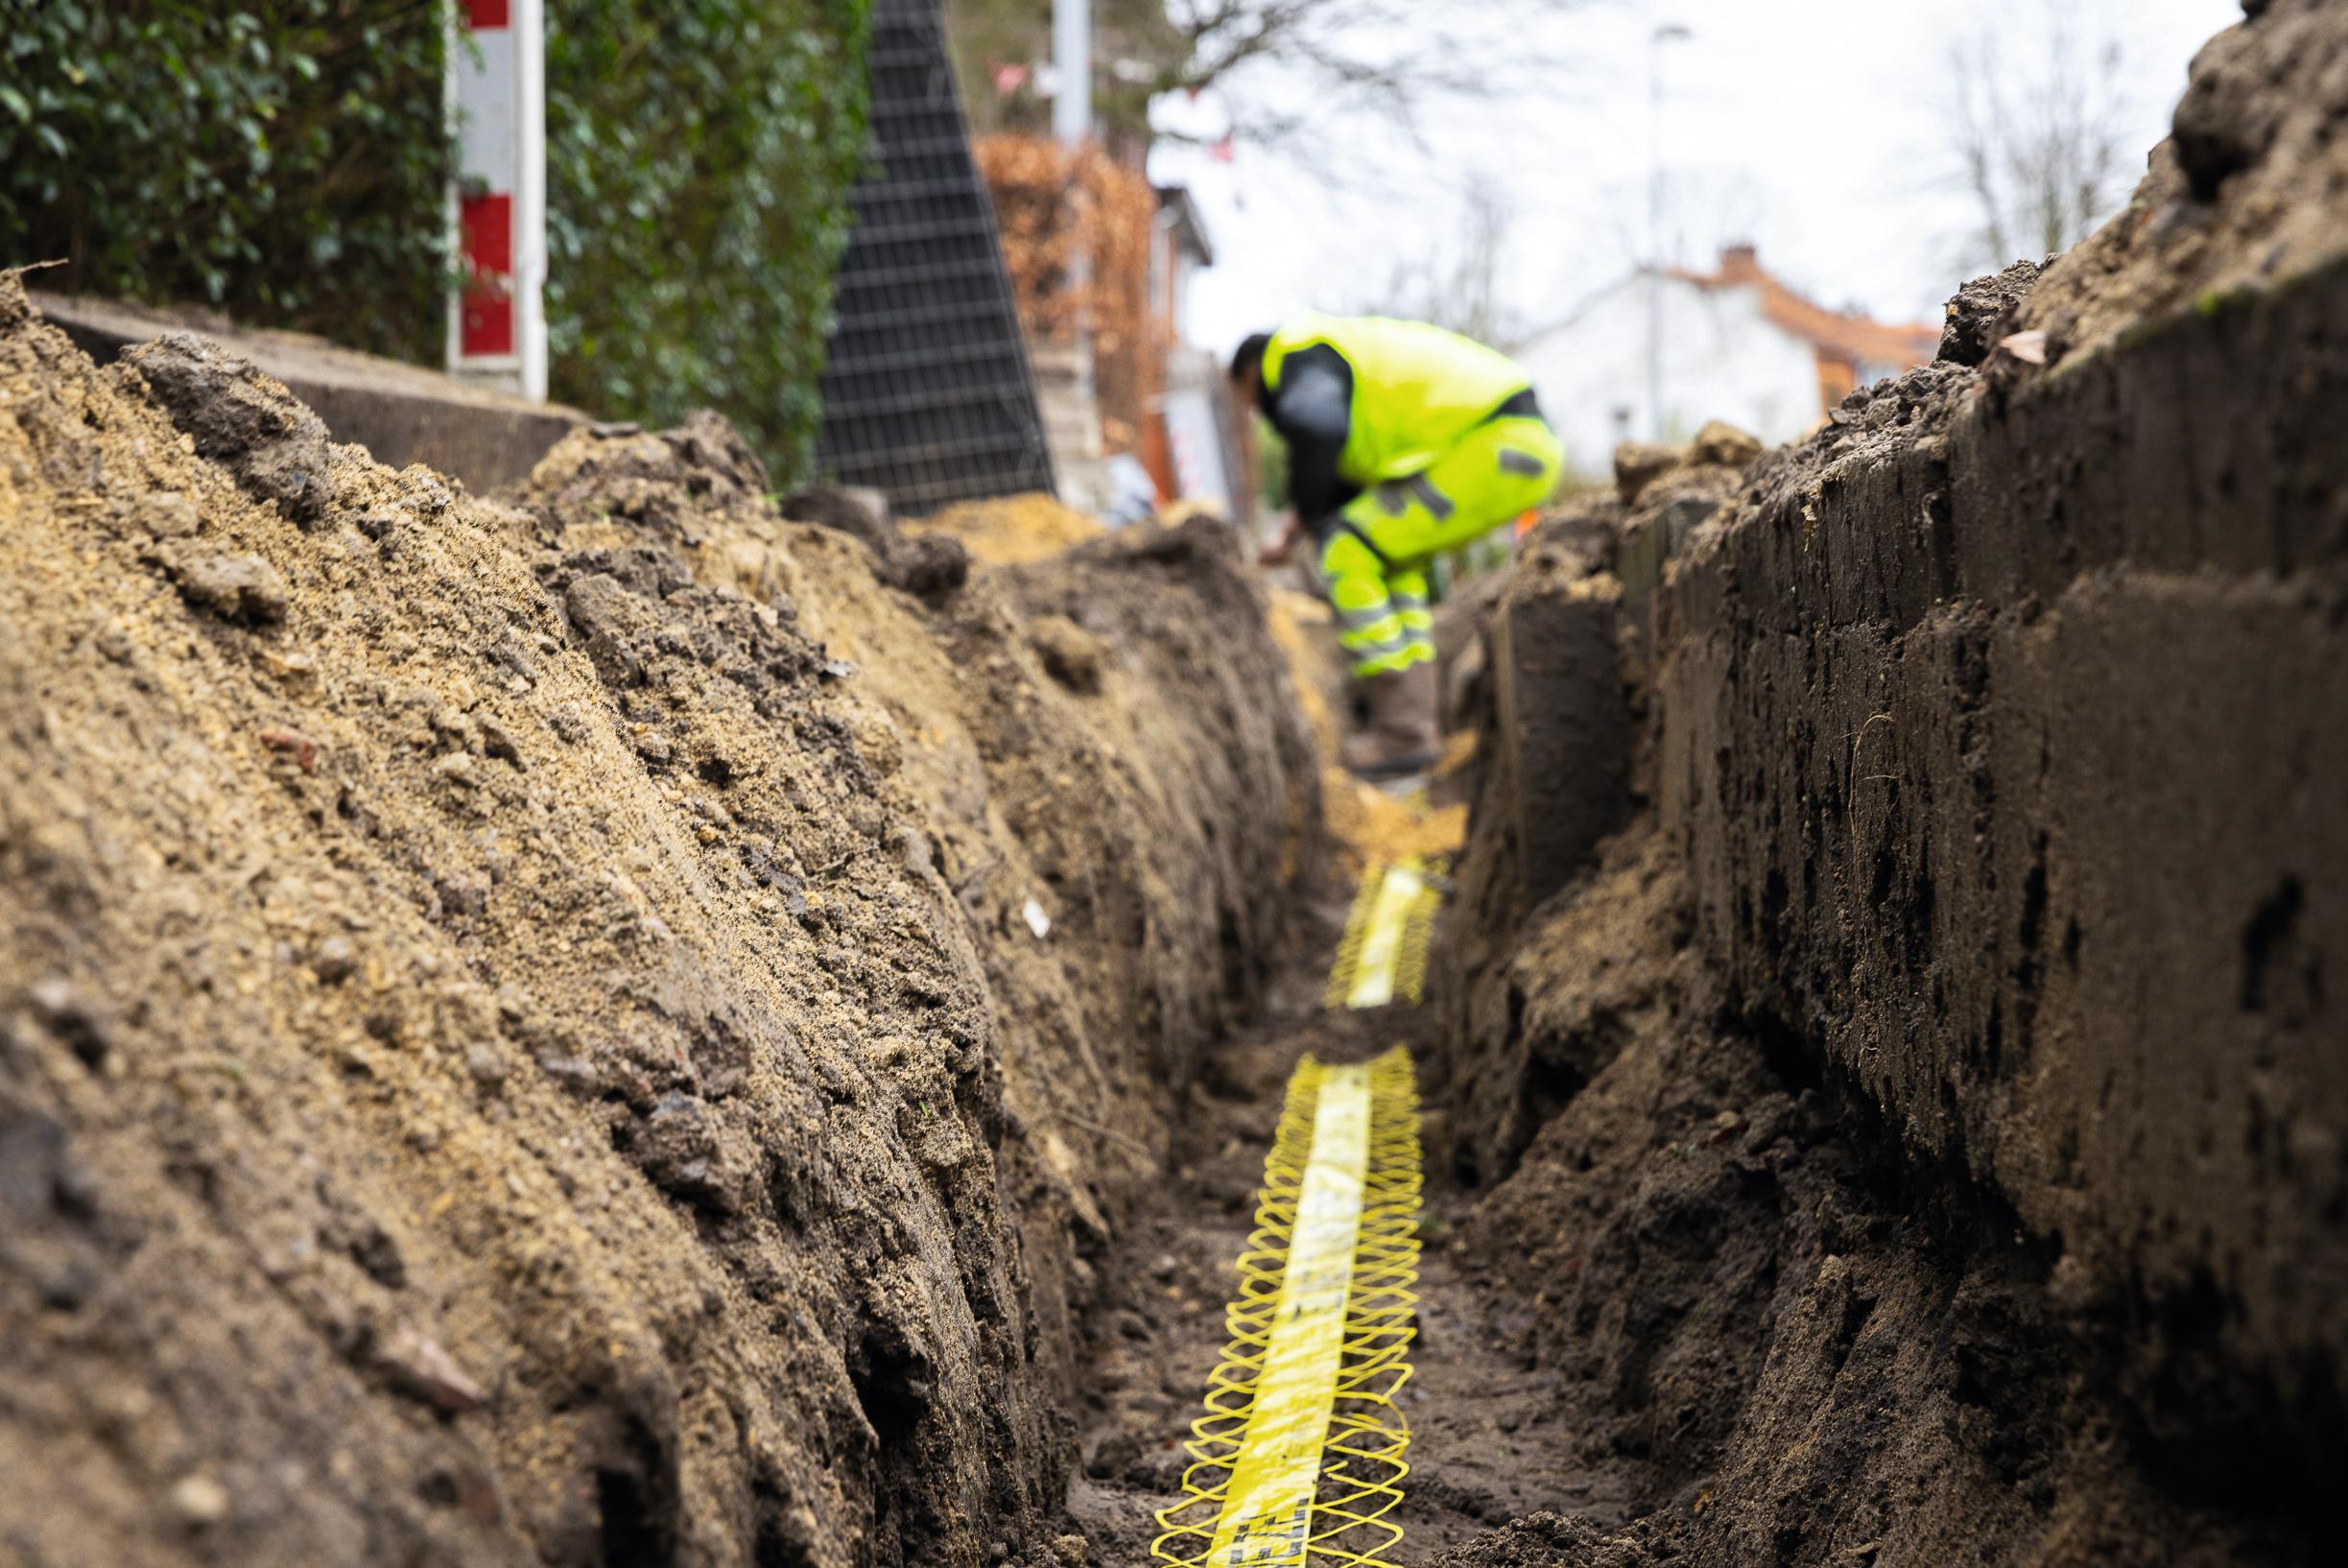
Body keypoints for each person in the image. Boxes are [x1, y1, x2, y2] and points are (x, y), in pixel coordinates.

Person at [1232, 313, 1562, 776]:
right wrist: (1301, 523)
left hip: (1495, 443)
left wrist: (1314, 519)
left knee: (1346, 549)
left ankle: (1402, 732)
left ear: (1250, 372)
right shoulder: (1336, 355)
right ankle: (1415, 724)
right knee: (1391, 561)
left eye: (1247, 399)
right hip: (1512, 442)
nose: (1256, 410)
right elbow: (1337, 455)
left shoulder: (1293, 356)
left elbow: (1316, 430)